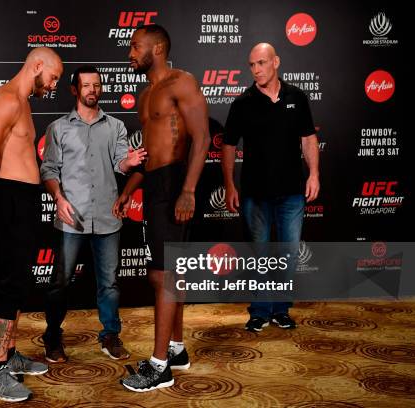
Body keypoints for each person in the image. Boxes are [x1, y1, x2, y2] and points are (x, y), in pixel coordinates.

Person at [113, 24, 211, 392]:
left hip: (174, 184)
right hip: (154, 184)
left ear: (156, 48)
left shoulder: (180, 82)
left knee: (163, 276)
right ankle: (176, 349)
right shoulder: (145, 94)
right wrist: (128, 190)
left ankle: (159, 367)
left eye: (135, 47)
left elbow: (201, 137)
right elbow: (150, 155)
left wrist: (188, 189)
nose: (130, 53)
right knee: (169, 274)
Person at [0, 47, 63, 402]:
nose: (52, 85)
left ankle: (9, 354)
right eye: (52, 77)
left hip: (21, 198)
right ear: (37, 65)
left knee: (19, 280)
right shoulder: (7, 100)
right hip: (9, 198)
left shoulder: (19, 101)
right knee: (11, 283)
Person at [40, 65, 146, 363]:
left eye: (97, 85)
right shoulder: (57, 128)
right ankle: (52, 337)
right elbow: (48, 170)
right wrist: (57, 197)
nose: (92, 90)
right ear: (75, 90)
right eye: (86, 85)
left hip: (107, 218)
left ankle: (110, 335)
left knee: (109, 282)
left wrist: (129, 161)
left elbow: (120, 166)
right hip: (71, 219)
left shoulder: (115, 127)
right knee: (60, 281)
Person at [221, 42, 320, 332]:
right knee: (260, 253)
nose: (256, 70)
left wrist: (314, 174)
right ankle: (260, 310)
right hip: (255, 192)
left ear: (275, 62)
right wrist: (229, 184)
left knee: (287, 252)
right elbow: (228, 146)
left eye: (261, 63)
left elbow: (308, 139)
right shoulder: (243, 102)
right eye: (251, 65)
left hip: (291, 191)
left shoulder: (297, 98)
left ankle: (281, 309)